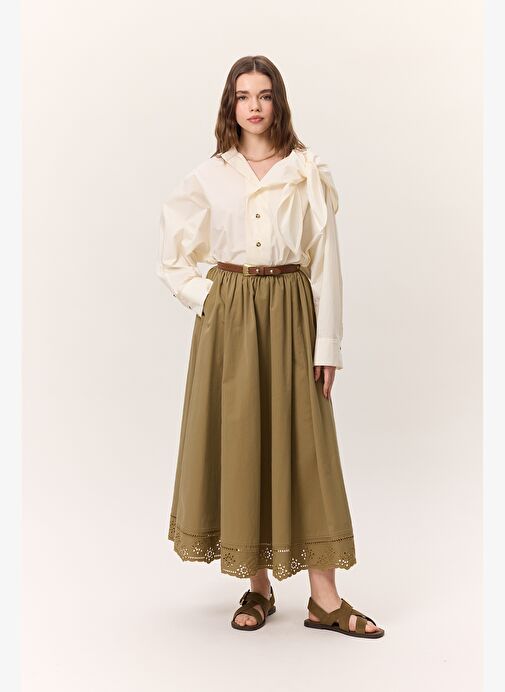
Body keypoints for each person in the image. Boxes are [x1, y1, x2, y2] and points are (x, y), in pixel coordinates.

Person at [156, 55, 384, 638]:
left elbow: (326, 260)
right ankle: (257, 586)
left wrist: (328, 344)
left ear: (278, 102)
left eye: (264, 94)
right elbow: (173, 255)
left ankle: (324, 598)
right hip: (230, 313)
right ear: (230, 106)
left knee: (306, 447)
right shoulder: (211, 175)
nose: (253, 106)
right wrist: (207, 297)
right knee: (241, 442)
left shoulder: (305, 171)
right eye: (243, 96)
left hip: (290, 310)